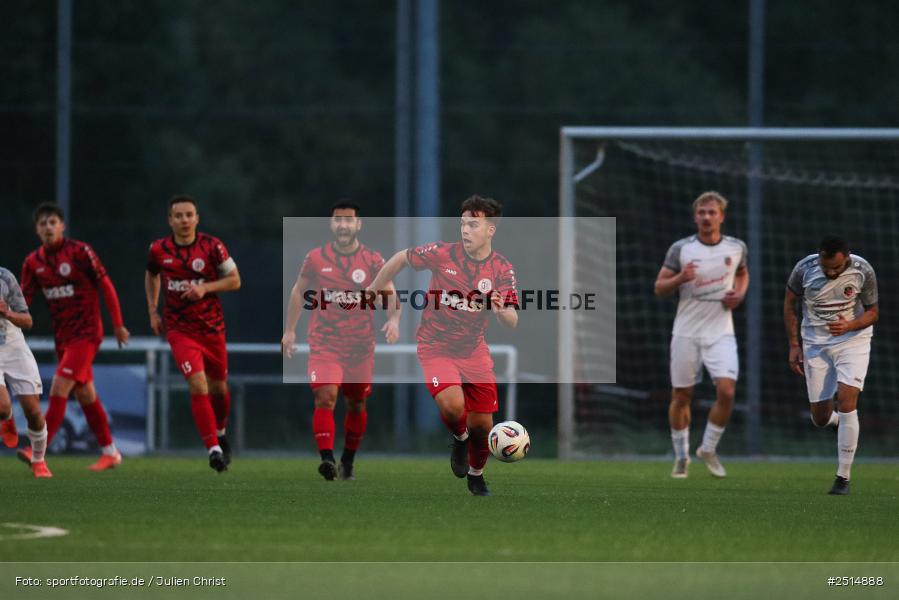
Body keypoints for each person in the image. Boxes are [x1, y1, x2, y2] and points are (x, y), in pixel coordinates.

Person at [368, 195, 519, 496]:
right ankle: (460, 438)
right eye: (463, 224)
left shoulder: (501, 268)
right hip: (435, 345)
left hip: (473, 350)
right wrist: (374, 287)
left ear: (490, 230)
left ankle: (476, 476)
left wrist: (501, 310)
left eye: (473, 225)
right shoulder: (443, 253)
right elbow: (401, 258)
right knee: (452, 407)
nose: (465, 230)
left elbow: (512, 320)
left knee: (482, 427)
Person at [281, 201, 400, 481]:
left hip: (360, 346)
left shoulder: (372, 260)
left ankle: (348, 460)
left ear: (359, 224)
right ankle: (327, 459)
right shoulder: (315, 258)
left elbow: (390, 294)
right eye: (338, 220)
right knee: (326, 396)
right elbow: (298, 291)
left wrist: (394, 320)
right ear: (331, 224)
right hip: (325, 343)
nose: (343, 225)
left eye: (349, 220)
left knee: (356, 404)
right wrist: (290, 331)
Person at [19, 202, 129, 471]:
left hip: (87, 333)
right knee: (85, 395)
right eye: (43, 223)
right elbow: (24, 301)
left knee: (59, 386)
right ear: (36, 230)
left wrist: (118, 325)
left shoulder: (80, 252)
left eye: (53, 222)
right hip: (63, 337)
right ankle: (110, 452)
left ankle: (37, 450)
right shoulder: (33, 262)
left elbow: (106, 286)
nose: (48, 227)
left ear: (62, 226)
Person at [654, 191, 749, 479]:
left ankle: (708, 448)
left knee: (727, 391)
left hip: (721, 331)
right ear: (695, 217)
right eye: (702, 212)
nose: (707, 217)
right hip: (686, 331)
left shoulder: (736, 247)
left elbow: (742, 273)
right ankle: (681, 456)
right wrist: (680, 278)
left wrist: (739, 294)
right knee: (682, 395)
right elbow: (659, 287)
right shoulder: (681, 249)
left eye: (712, 212)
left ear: (722, 216)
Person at [145, 195, 241, 473]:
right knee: (198, 384)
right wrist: (152, 310)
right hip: (180, 330)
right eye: (178, 215)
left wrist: (205, 288)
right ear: (170, 220)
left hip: (212, 329)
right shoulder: (158, 249)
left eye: (189, 215)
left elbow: (235, 280)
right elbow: (151, 274)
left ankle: (220, 433)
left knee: (219, 388)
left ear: (197, 218)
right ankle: (213, 449)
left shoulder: (213, 247)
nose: (184, 220)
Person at [784, 236, 878, 495]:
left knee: (847, 401)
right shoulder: (804, 269)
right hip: (815, 343)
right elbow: (789, 304)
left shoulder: (862, 270)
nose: (831, 273)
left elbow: (873, 312)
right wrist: (794, 345)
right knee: (820, 418)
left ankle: (842, 478)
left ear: (846, 257)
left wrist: (850, 325)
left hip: (853, 340)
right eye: (827, 267)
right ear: (820, 257)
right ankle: (838, 423)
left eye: (837, 268)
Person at [0, 267, 52, 478]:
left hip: (13, 346)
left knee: (33, 411)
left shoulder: (5, 277)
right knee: (2, 407)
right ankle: (7, 417)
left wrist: (7, 313)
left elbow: (28, 321)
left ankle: (38, 460)